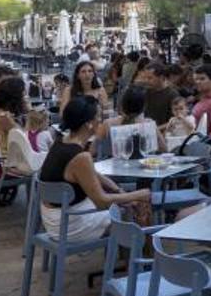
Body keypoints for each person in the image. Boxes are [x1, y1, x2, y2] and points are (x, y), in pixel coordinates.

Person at [38, 95, 152, 241]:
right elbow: (101, 201)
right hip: (69, 225)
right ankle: (137, 259)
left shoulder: (61, 142)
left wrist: (118, 190)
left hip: (54, 218)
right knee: (136, 207)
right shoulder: (80, 156)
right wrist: (137, 195)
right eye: (98, 116)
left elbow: (94, 175)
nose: (101, 120)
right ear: (88, 124)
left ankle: (125, 258)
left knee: (127, 204)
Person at [0, 77, 51, 178]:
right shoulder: (4, 118)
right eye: (24, 94)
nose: (26, 98)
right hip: (1, 169)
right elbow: (26, 140)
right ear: (16, 98)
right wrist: (30, 111)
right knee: (48, 161)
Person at [99, 84, 165, 153]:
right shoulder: (149, 124)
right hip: (145, 163)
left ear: (122, 104)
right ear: (144, 107)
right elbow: (164, 149)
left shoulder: (108, 124)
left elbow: (94, 150)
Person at [138, 60, 179, 125]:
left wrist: (156, 129)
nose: (146, 81)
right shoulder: (147, 91)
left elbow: (176, 120)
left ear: (161, 77)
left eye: (150, 78)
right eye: (145, 78)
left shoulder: (172, 95)